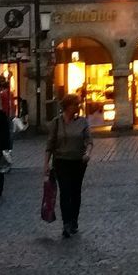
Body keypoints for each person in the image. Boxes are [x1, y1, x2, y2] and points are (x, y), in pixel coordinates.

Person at [44, 94, 93, 238]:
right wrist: (46, 164)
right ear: (67, 106)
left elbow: (89, 140)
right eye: (75, 104)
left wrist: (88, 153)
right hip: (61, 161)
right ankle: (66, 223)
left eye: (78, 104)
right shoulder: (56, 123)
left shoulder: (82, 122)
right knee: (65, 191)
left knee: (75, 191)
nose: (78, 107)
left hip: (78, 161)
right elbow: (49, 144)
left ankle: (74, 221)